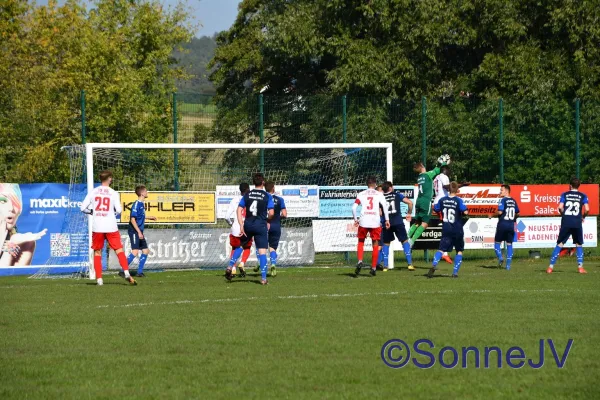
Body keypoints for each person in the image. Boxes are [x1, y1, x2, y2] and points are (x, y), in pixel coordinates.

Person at [80, 170, 136, 286]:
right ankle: (126, 272)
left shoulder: (93, 192)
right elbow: (119, 210)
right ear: (109, 179)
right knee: (119, 249)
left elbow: (82, 208)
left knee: (97, 252)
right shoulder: (113, 193)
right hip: (110, 225)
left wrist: (92, 212)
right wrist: (111, 213)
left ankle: (99, 279)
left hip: (98, 226)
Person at [408, 158, 450, 260]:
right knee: (425, 223)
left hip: (418, 201)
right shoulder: (427, 175)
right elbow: (438, 169)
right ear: (422, 167)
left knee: (417, 221)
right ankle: (410, 242)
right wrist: (444, 161)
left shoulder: (420, 177)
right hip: (426, 202)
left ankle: (407, 236)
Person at [236, 173, 274, 285]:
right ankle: (263, 278)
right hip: (260, 225)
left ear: (253, 182)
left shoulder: (248, 194)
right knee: (262, 251)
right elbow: (271, 213)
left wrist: (241, 224)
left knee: (241, 245)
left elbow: (239, 209)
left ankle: (230, 265)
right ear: (263, 182)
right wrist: (268, 219)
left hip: (248, 224)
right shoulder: (267, 196)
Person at [547, 177, 589, 274]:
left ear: (570, 185)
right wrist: (583, 216)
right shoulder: (583, 196)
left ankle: (550, 267)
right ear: (579, 186)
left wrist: (564, 215)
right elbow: (587, 209)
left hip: (566, 222)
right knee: (578, 244)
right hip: (577, 222)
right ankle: (580, 267)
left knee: (560, 244)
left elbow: (560, 207)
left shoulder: (565, 194)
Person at [0, 183, 47, 266]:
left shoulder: (23, 243)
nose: (11, 208)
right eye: (3, 201)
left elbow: (10, 277)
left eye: (15, 203)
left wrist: (12, 242)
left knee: (28, 243)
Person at [428, 182, 468, 278]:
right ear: (457, 190)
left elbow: (436, 209)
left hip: (446, 228)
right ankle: (455, 273)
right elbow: (465, 211)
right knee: (459, 250)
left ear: (448, 189)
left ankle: (434, 264)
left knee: (441, 249)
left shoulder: (442, 200)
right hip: (457, 228)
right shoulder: (459, 200)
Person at [352, 176, 390, 276]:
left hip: (364, 220)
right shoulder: (379, 194)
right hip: (375, 221)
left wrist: (356, 219)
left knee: (360, 241)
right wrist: (387, 220)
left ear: (367, 184)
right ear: (374, 184)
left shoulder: (361, 194)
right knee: (375, 244)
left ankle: (360, 261)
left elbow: (354, 207)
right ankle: (373, 268)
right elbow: (385, 207)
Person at [125, 185, 157, 277]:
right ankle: (123, 269)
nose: (147, 192)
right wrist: (139, 232)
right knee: (135, 251)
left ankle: (139, 272)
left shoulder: (141, 204)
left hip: (139, 231)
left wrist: (149, 217)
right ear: (142, 193)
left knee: (146, 251)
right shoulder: (136, 204)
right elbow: (132, 219)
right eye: (146, 191)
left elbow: (140, 216)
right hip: (134, 231)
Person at [381, 181, 413, 271]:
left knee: (386, 243)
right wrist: (409, 213)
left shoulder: (381, 197)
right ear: (390, 188)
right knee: (404, 241)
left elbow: (380, 212)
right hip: (398, 221)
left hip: (387, 223)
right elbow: (410, 203)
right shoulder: (397, 194)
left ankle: (385, 266)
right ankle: (410, 264)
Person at [489, 185, 519, 270]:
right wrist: (513, 218)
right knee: (509, 244)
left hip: (502, 225)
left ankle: (500, 258)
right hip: (511, 225)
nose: (500, 192)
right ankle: (508, 266)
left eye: (501, 190)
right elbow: (518, 213)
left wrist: (492, 214)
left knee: (497, 243)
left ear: (506, 191)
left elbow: (499, 212)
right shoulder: (513, 201)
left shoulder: (503, 200)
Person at [225, 182, 251, 278]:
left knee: (235, 248)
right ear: (248, 189)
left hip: (235, 228)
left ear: (240, 190)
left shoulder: (234, 200)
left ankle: (233, 268)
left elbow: (227, 216)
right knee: (247, 248)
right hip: (247, 228)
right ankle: (243, 263)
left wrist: (231, 224)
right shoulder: (250, 200)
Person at [264, 181, 287, 277]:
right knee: (273, 248)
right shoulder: (280, 199)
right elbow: (285, 214)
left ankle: (262, 265)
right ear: (273, 188)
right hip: (276, 225)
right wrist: (278, 217)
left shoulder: (263, 199)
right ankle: (273, 263)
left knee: (262, 248)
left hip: (265, 225)